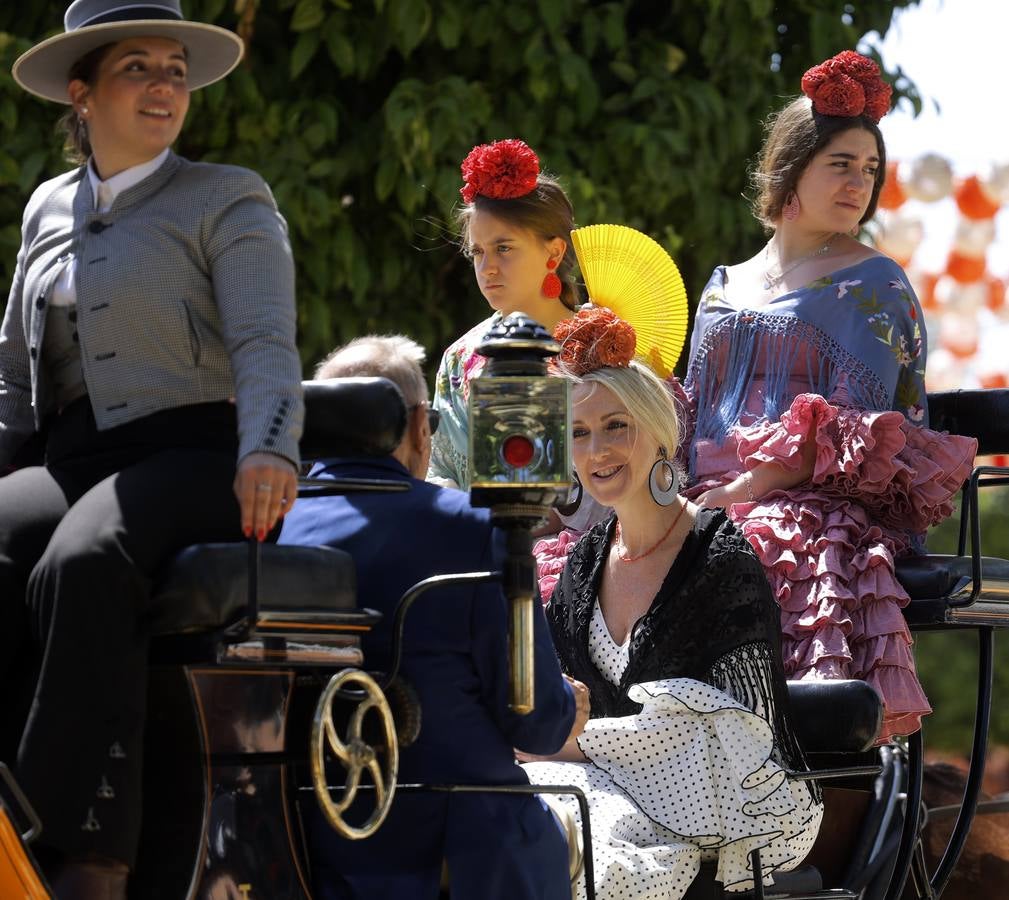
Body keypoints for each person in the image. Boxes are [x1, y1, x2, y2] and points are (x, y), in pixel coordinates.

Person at [0, 2, 303, 895]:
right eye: (140, 67)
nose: (166, 85)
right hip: (72, 454)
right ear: (82, 95)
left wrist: (272, 448)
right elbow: (14, 378)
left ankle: (75, 846)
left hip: (199, 449)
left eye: (176, 68)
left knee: (87, 558)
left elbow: (264, 342)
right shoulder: (46, 206)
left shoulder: (228, 196)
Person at [678, 51, 976, 742]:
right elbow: (693, 409)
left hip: (816, 501)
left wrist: (742, 489)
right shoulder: (722, 284)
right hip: (706, 490)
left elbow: (856, 435)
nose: (858, 183)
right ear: (791, 168)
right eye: (840, 163)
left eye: (868, 169)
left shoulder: (874, 283)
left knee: (746, 544)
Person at [521, 307, 822, 899]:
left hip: (698, 813)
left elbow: (733, 737)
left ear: (659, 431)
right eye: (579, 433)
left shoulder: (719, 557)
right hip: (584, 788)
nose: (597, 449)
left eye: (616, 426)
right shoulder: (581, 567)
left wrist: (574, 739)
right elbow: (552, 705)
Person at [280, 335, 587, 900]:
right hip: (462, 857)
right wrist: (569, 704)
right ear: (421, 426)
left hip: (308, 849)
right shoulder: (474, 528)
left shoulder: (268, 531)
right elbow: (537, 723)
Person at [428, 137, 580, 491]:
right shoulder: (461, 358)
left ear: (553, 254)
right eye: (478, 252)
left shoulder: (601, 342)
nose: (487, 268)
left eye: (504, 248)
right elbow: (441, 473)